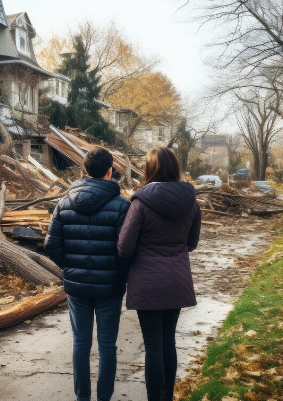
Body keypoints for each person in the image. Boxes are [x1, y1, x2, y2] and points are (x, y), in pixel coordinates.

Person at [45, 147, 130, 401]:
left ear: (84, 171)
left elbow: (51, 244)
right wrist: (119, 274)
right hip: (109, 287)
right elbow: (125, 248)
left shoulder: (64, 203)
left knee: (80, 344)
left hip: (77, 286)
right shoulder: (122, 205)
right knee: (107, 347)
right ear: (110, 171)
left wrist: (69, 266)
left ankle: (82, 397)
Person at [117, 146, 201, 401]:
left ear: (149, 169)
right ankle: (167, 397)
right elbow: (192, 243)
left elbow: (124, 246)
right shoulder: (191, 202)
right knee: (168, 341)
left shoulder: (141, 202)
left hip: (147, 281)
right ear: (175, 168)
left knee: (153, 344)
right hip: (176, 279)